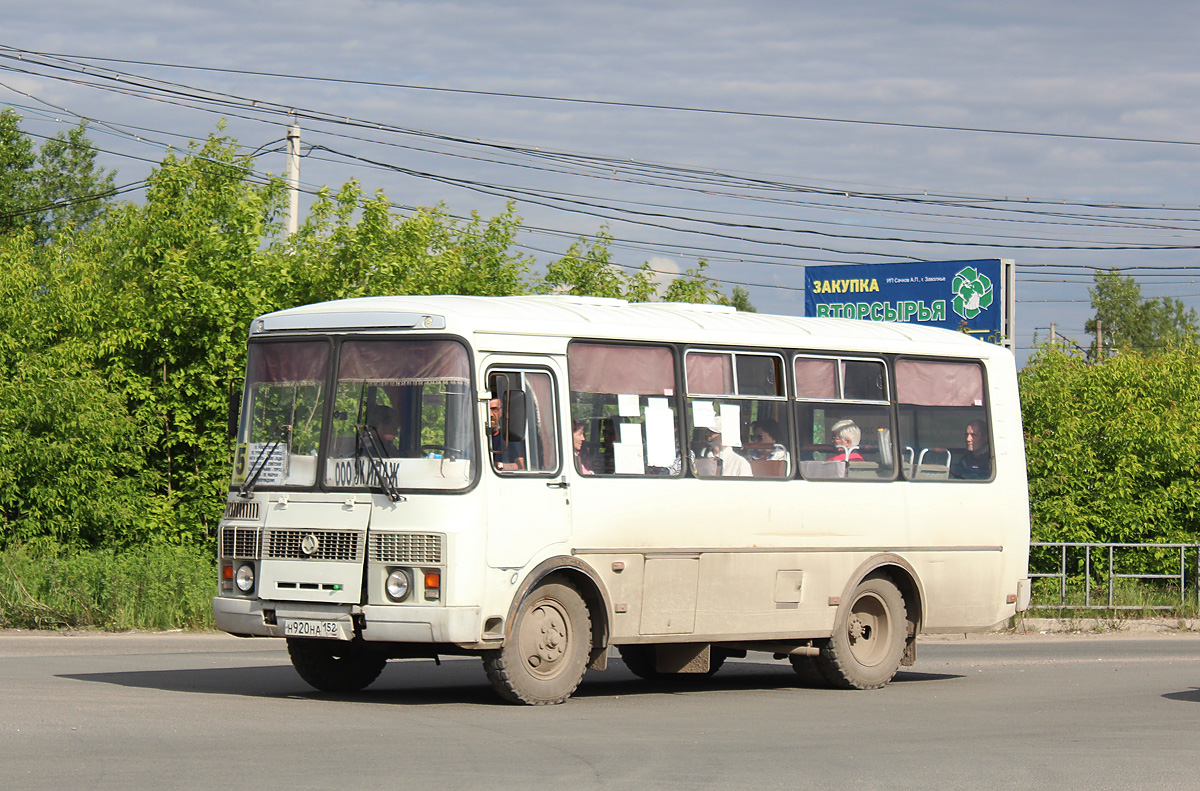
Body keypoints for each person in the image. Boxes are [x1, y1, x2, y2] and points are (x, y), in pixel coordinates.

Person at [489, 397, 525, 471]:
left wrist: (497, 466)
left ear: (501, 411)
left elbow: (521, 466)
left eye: (494, 409)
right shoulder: (477, 439)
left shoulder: (509, 438)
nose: (490, 415)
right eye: (487, 410)